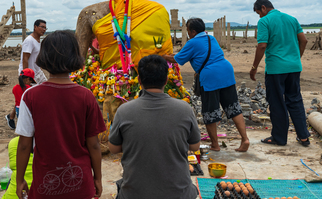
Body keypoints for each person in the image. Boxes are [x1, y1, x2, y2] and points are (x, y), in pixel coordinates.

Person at [15, 30, 106, 199]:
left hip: (46, 185)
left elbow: (24, 145)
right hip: (80, 182)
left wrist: (20, 179)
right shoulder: (86, 96)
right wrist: (98, 178)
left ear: (43, 58)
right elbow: (93, 145)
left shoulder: (30, 96)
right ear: (75, 57)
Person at [108, 55, 201, 199]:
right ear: (165, 80)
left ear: (139, 80)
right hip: (177, 194)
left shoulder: (124, 110)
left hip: (134, 194)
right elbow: (195, 146)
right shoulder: (184, 109)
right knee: (192, 189)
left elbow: (113, 148)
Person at [163, 18, 250, 152]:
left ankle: (215, 145)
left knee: (210, 112)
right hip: (226, 72)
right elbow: (184, 55)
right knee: (233, 107)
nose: (187, 34)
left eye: (187, 31)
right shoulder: (212, 39)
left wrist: (161, 56)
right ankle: (245, 139)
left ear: (193, 31)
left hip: (210, 76)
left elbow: (176, 59)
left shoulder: (192, 42)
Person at [250, 0, 310, 146]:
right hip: (294, 67)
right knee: (295, 100)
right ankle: (304, 137)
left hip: (275, 69)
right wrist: (296, 57)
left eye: (259, 13)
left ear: (263, 8)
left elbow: (262, 46)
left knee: (277, 102)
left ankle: (279, 138)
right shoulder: (291, 19)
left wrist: (254, 67)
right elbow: (304, 40)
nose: (259, 16)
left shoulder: (265, 21)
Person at [18, 19, 47, 84]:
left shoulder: (38, 41)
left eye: (45, 28)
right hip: (29, 75)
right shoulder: (29, 40)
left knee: (48, 89)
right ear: (35, 27)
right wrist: (26, 77)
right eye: (42, 27)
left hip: (38, 72)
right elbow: (25, 58)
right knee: (33, 93)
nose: (44, 29)